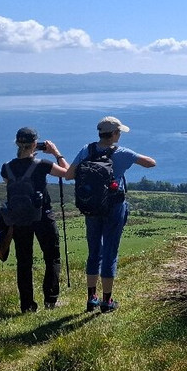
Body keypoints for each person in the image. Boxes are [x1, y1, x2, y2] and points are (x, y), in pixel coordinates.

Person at [65, 116, 156, 313]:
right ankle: (107, 301)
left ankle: (91, 299)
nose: (120, 135)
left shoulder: (86, 150)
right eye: (119, 132)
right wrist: (130, 159)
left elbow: (69, 175)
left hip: (91, 207)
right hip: (114, 207)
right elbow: (151, 163)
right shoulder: (122, 153)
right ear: (114, 134)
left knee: (94, 251)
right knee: (110, 252)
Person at [1, 127, 70, 313]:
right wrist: (56, 153)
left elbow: (10, 185)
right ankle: (50, 300)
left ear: (17, 143)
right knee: (52, 258)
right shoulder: (42, 165)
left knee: (24, 262)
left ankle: (27, 306)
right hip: (43, 216)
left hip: (19, 219)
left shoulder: (6, 168)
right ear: (35, 144)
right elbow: (69, 173)